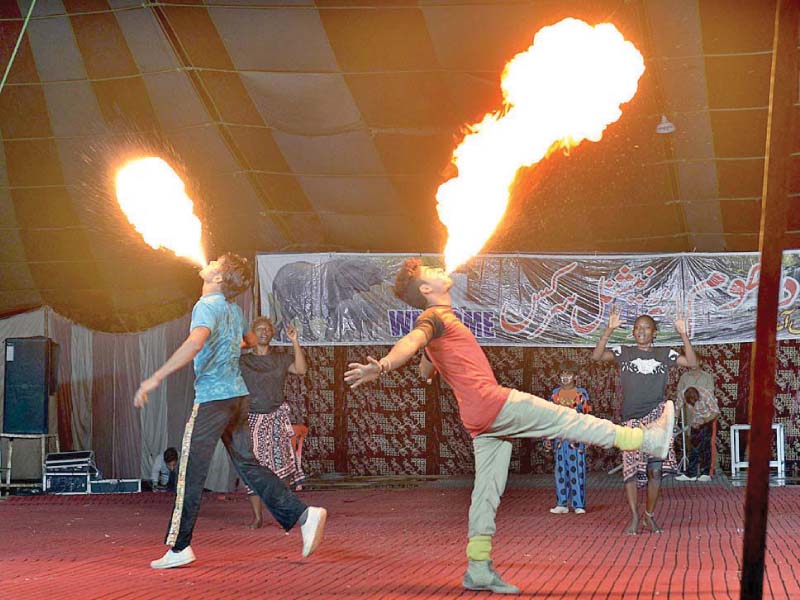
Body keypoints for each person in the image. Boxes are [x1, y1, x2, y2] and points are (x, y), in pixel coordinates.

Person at [344, 258, 675, 595]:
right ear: (427, 290)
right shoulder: (433, 317)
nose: (440, 268)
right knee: (567, 419)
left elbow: (424, 372)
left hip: (478, 419)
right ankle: (643, 439)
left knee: (486, 493)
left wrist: (433, 354)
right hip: (493, 404)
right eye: (430, 271)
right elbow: (412, 341)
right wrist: (383, 365)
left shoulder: (441, 323)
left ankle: (478, 567)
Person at [134, 253, 326, 569]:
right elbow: (241, 342)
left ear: (220, 278)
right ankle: (303, 515)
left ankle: (180, 546)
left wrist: (155, 377)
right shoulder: (233, 310)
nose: (209, 262)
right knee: (248, 464)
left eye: (217, 262)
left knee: (190, 471)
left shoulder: (206, 306)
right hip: (238, 398)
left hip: (213, 401)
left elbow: (195, 343)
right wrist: (226, 345)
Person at [591, 305, 697, 535]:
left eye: (646, 328)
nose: (641, 331)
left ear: (654, 333)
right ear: (633, 333)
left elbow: (692, 363)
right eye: (638, 328)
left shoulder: (664, 354)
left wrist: (683, 334)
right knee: (629, 470)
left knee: (655, 471)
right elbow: (596, 356)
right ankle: (635, 516)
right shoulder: (624, 352)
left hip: (657, 419)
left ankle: (649, 515)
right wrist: (608, 330)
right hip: (631, 419)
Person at [240, 317, 307, 529]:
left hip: (276, 416)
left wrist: (295, 341)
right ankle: (257, 517)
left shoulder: (280, 358)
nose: (263, 332)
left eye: (267, 330)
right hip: (253, 418)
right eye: (259, 329)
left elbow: (301, 369)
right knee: (254, 468)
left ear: (272, 334)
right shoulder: (243, 361)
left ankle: (284, 513)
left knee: (283, 467)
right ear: (253, 333)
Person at [548, 360, 591, 515]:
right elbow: (549, 417)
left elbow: (587, 417)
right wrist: (548, 437)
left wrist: (587, 437)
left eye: (569, 374)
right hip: (559, 439)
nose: (565, 377)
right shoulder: (554, 394)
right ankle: (562, 503)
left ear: (575, 376)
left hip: (576, 439)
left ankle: (578, 504)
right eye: (563, 374)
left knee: (577, 471)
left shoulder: (581, 394)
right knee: (560, 471)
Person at [675, 374, 720, 482]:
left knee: (705, 446)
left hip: (708, 418)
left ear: (698, 397)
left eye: (695, 402)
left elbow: (716, 412)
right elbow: (677, 407)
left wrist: (704, 421)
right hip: (696, 419)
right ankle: (691, 474)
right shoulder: (682, 394)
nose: (693, 404)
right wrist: (674, 422)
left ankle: (706, 474)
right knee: (694, 447)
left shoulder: (706, 395)